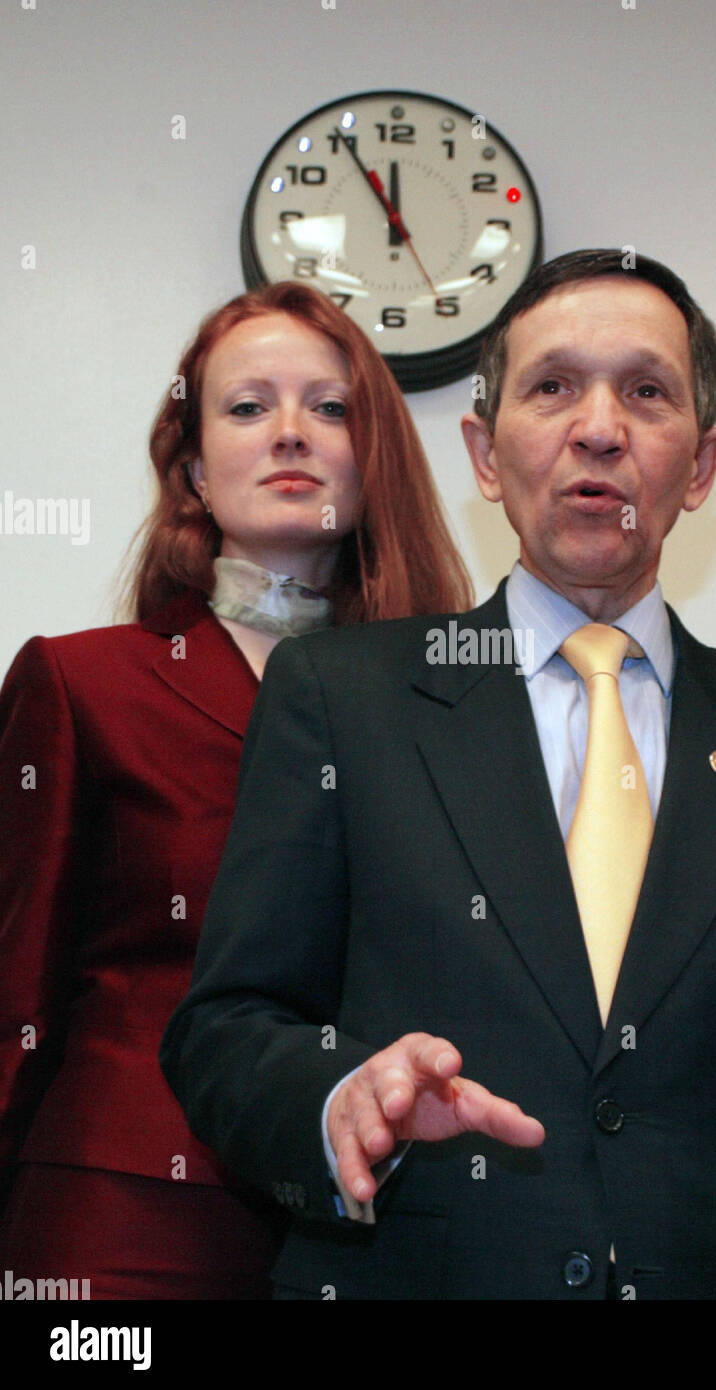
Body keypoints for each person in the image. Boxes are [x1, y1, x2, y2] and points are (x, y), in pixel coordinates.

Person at [161, 250, 716, 1301]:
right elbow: (227, 1028)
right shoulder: (344, 698)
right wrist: (340, 1094)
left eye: (647, 392)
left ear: (702, 466)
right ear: (484, 452)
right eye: (553, 386)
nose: (601, 426)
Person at [0, 281, 472, 1299]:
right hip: (126, 1220)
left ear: (374, 455)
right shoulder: (81, 683)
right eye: (248, 407)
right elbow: (14, 1001)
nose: (292, 433)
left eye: (331, 407)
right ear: (194, 471)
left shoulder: (464, 708)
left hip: (387, 1226)